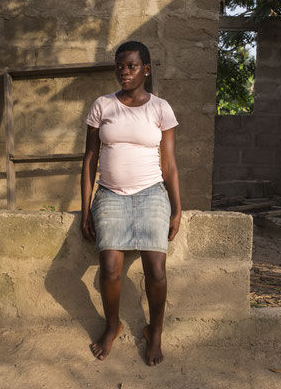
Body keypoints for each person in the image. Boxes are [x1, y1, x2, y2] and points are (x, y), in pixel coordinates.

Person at [80, 41, 181, 367]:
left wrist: (177, 208)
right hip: (110, 194)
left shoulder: (160, 109)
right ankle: (113, 325)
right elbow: (90, 159)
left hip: (152, 194)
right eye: (120, 67)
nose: (124, 72)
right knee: (110, 269)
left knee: (156, 269)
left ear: (146, 69)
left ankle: (155, 331)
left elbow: (169, 164)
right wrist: (85, 208)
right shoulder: (102, 106)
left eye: (132, 66)